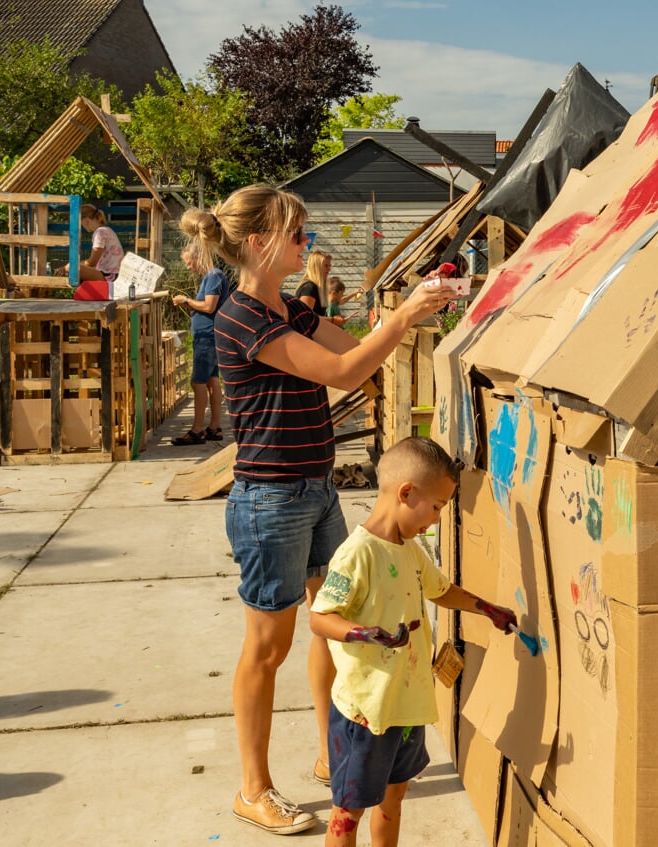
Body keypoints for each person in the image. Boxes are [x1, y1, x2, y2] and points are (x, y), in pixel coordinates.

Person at [177, 184, 458, 836]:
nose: (307, 243)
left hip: (314, 488)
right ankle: (253, 788)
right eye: (296, 233)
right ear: (258, 242)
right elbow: (343, 373)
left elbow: (349, 347)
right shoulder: (243, 318)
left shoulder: (287, 309)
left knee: (331, 618)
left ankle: (333, 753)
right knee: (266, 648)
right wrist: (401, 317)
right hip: (270, 501)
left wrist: (415, 312)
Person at [309, 437, 519, 847]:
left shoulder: (409, 549)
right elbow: (320, 617)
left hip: (405, 707)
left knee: (395, 797)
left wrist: (487, 608)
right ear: (406, 493)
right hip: (365, 713)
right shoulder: (358, 554)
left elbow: (441, 591)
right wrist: (363, 633)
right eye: (438, 506)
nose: (438, 519)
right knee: (348, 813)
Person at [171, 246, 230, 445]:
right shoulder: (212, 276)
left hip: (207, 337)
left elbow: (208, 306)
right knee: (212, 381)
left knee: (198, 383)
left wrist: (186, 300)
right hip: (209, 336)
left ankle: (197, 430)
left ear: (199, 258)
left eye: (190, 262)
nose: (189, 267)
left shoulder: (213, 276)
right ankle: (214, 427)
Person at [73, 203, 124, 282]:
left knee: (72, 268)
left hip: (110, 275)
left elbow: (92, 262)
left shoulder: (100, 233)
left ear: (85, 220)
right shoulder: (105, 230)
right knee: (73, 268)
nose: (81, 226)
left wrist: (71, 267)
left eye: (80, 223)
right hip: (112, 273)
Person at [296, 249, 331, 316]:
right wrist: (333, 320)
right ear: (316, 267)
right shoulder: (310, 288)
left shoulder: (317, 287)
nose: (329, 269)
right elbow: (306, 317)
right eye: (326, 266)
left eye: (329, 266)